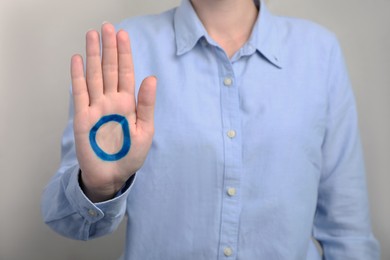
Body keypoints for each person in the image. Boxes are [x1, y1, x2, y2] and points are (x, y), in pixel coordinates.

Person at [41, 0, 380, 259]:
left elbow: (348, 232)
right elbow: (67, 219)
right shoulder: (125, 48)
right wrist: (99, 186)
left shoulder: (320, 53)